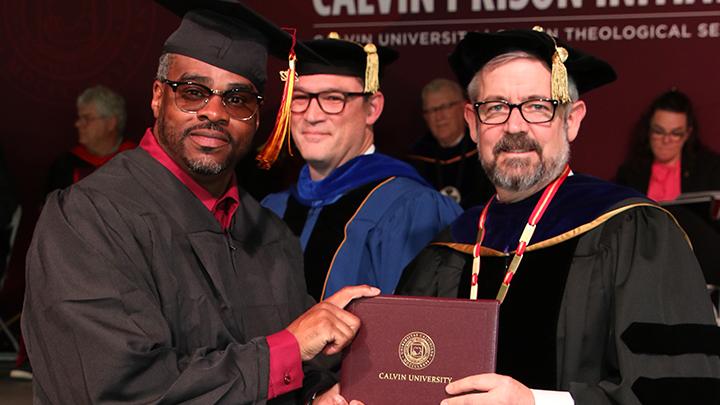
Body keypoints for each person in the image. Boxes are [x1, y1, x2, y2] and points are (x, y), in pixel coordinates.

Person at [22, 2, 378, 403]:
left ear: (257, 117)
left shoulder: (270, 236)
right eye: (192, 93)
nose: (214, 112)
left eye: (238, 99)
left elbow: (294, 373)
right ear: (158, 97)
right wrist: (287, 350)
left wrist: (316, 396)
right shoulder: (89, 219)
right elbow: (117, 387)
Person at [393, 28, 720, 405]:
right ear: (472, 121)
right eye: (496, 107)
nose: (514, 127)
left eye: (537, 106)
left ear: (572, 119)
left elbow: (678, 389)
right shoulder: (449, 247)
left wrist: (536, 402)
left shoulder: (632, 231)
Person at [261, 34, 462, 302]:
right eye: (299, 98)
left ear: (373, 109)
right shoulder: (270, 210)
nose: (312, 115)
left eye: (333, 99)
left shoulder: (413, 209)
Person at [616, 89, 720, 201]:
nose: (666, 140)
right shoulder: (629, 174)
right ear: (649, 130)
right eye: (659, 131)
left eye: (676, 133)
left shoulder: (709, 170)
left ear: (687, 134)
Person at [406, 78, 494, 208]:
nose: (439, 117)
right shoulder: (416, 159)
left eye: (445, 107)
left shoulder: (485, 150)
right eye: (431, 110)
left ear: (464, 108)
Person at [47, 85, 137, 192]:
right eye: (80, 118)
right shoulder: (64, 166)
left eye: (87, 118)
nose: (78, 124)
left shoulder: (135, 161)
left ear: (111, 123)